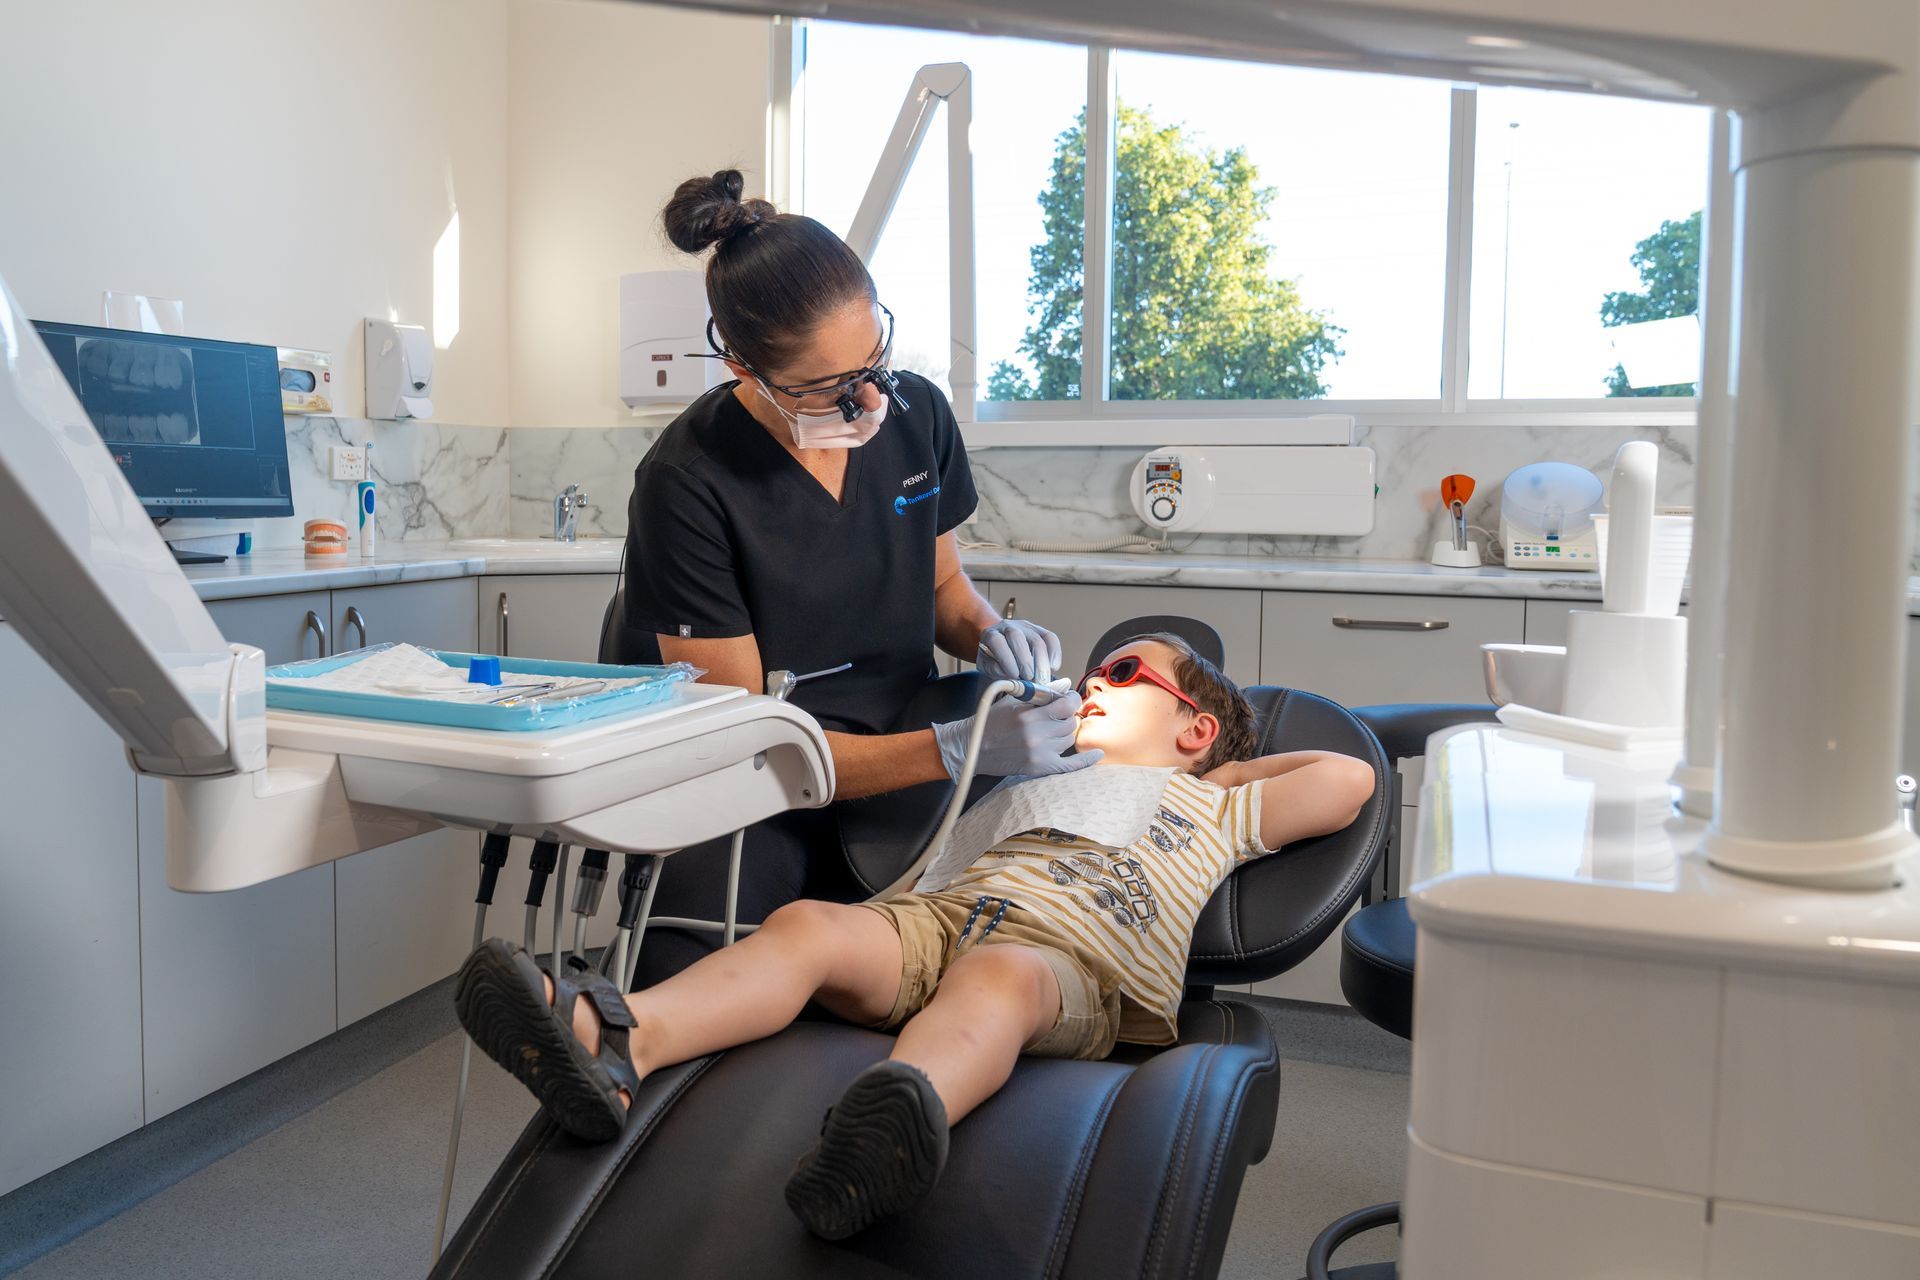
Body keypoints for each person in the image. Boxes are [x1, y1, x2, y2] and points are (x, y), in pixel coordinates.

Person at [453, 634, 1376, 1239]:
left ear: (1195, 729)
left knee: (999, 981)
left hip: (1070, 954)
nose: (1095, 680)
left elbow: (1346, 779)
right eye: (1095, 670)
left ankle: (893, 1127)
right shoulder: (1021, 780)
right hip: (935, 924)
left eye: (1126, 674)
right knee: (808, 926)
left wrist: (1222, 773)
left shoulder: (1216, 806)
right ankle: (621, 1042)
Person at [620, 169, 1086, 983]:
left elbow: (942, 590)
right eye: (830, 386)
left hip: (900, 733)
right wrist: (951, 752)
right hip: (760, 783)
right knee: (696, 968)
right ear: (740, 365)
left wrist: (989, 636)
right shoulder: (688, 480)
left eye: (876, 358)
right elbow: (742, 738)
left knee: (958, 941)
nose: (870, 396)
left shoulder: (918, 416)